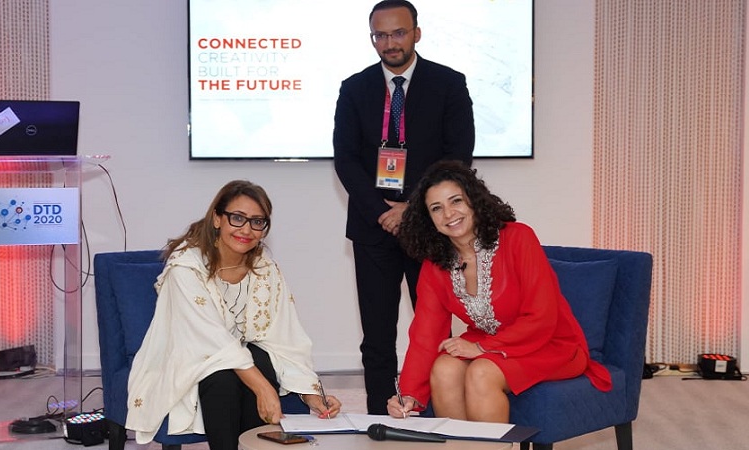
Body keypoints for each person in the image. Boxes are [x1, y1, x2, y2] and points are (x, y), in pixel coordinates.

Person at [386, 160, 612, 422]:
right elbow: (425, 334)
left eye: (456, 201)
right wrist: (409, 393)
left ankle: (492, 441)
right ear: (428, 219)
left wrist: (482, 347)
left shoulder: (519, 238)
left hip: (550, 343)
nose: (448, 214)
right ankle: (461, 442)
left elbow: (542, 317)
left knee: (482, 372)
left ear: (473, 200)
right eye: (437, 208)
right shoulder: (435, 265)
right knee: (444, 368)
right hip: (489, 343)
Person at [332, 0, 475, 414]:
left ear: (416, 33)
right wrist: (382, 211)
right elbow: (345, 160)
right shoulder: (354, 88)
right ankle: (381, 413)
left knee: (433, 328)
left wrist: (410, 210)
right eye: (380, 35)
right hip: (373, 226)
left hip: (429, 227)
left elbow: (458, 155)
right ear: (372, 38)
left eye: (398, 33)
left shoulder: (449, 84)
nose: (389, 42)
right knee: (377, 333)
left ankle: (432, 411)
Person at [125, 180, 341, 450]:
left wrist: (312, 394)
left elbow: (286, 337)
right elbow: (209, 340)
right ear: (217, 218)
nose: (246, 230)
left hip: (240, 357)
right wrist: (262, 388)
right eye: (237, 218)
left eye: (257, 222)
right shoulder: (186, 267)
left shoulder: (265, 268)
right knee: (221, 374)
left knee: (260, 359)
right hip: (190, 356)